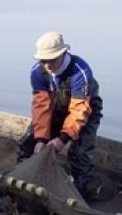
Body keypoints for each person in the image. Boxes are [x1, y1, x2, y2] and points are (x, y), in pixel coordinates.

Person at [18, 31, 103, 197]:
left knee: (80, 154)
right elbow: (41, 106)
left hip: (86, 111)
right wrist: (41, 139)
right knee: (28, 143)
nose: (47, 65)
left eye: (52, 60)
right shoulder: (37, 72)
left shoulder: (81, 71)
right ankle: (24, 182)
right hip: (56, 108)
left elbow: (79, 111)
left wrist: (62, 139)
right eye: (43, 60)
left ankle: (78, 196)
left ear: (63, 54)